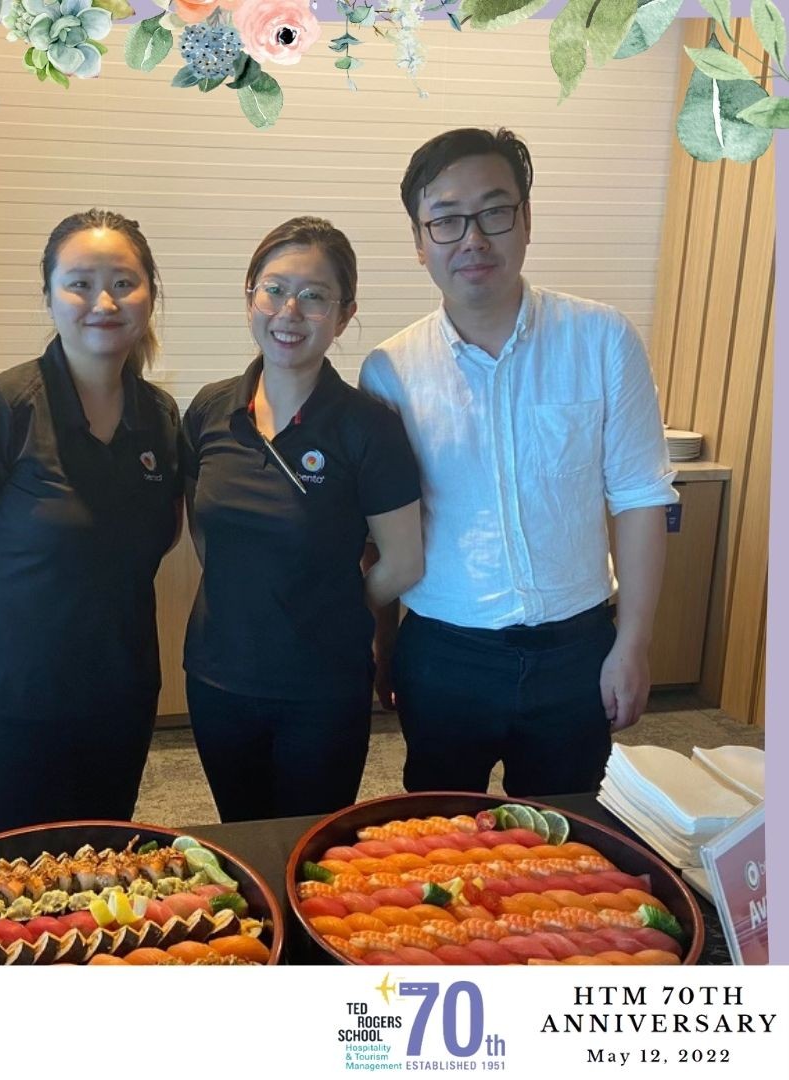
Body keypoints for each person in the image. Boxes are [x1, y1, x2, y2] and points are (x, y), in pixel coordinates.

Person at [359, 128, 677, 798]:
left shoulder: (602, 338)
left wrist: (635, 644)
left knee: (566, 850)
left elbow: (642, 496)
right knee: (442, 847)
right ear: (419, 243)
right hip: (444, 656)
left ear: (526, 221)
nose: (472, 238)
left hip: (578, 653)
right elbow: (384, 528)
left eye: (494, 212)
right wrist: (386, 648)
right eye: (445, 220)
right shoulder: (389, 370)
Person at [0, 209, 181, 835]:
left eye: (123, 282)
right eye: (80, 283)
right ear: (50, 297)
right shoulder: (1, 407)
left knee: (104, 864)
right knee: (21, 878)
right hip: (15, 698)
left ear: (149, 297)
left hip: (121, 690)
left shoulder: (159, 416)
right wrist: (14, 603)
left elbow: (156, 536)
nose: (103, 301)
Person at [181, 217, 424, 822]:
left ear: (344, 316)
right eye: (274, 288)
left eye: (315, 296)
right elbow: (201, 526)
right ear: (249, 297)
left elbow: (404, 561)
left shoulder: (368, 426)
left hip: (323, 687)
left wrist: (332, 597)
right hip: (218, 677)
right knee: (240, 838)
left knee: (309, 846)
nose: (290, 310)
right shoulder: (211, 410)